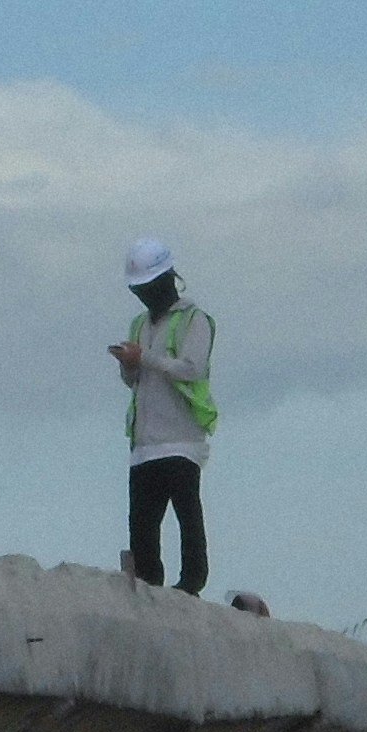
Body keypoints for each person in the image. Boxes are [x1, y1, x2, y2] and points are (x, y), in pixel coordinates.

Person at [107, 237, 217, 593]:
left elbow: (191, 368)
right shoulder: (139, 324)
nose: (143, 297)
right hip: (144, 443)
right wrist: (128, 365)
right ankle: (148, 585)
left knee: (187, 515)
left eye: (148, 288)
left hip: (181, 439)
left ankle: (191, 583)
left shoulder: (194, 320)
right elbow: (134, 381)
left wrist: (145, 359)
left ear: (167, 280)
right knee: (142, 524)